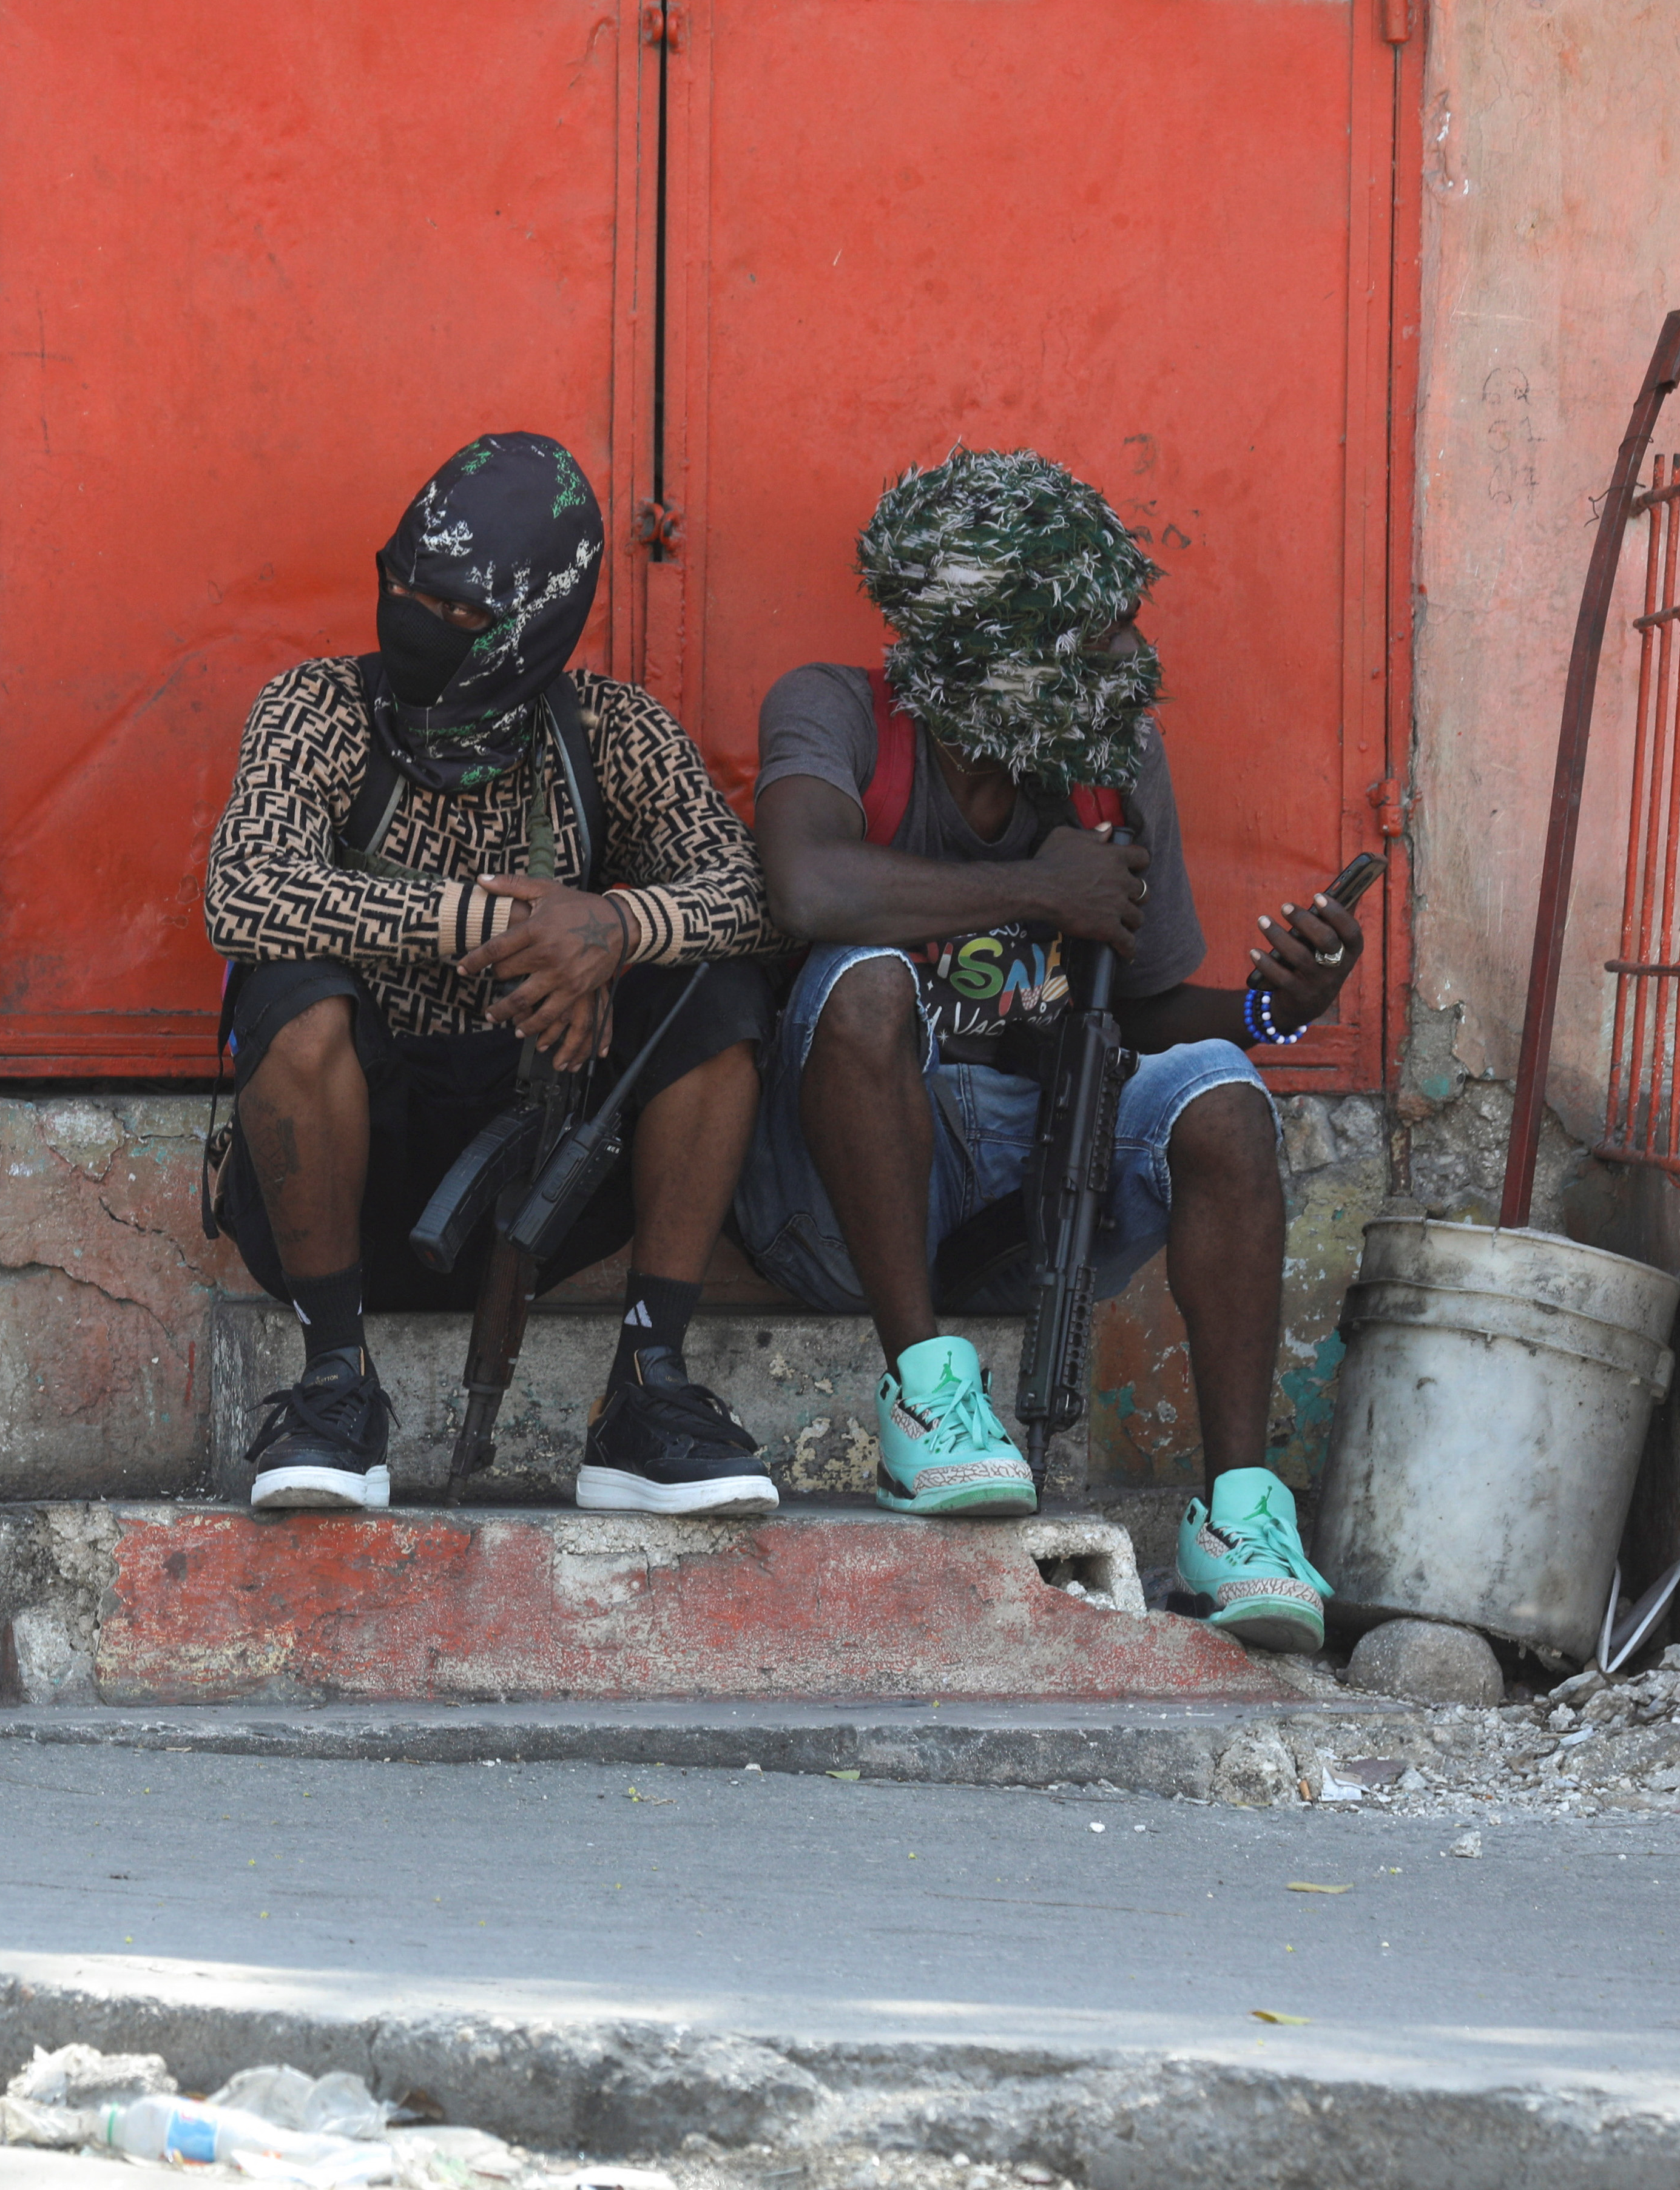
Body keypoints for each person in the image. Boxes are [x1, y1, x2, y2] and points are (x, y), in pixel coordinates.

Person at [735, 448, 1363, 1651]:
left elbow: (1137, 1010)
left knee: (1222, 1096)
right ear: (985, 651)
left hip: (1030, 1202)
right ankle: (925, 1392)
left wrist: (1276, 1011)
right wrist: (1034, 887)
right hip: (839, 1207)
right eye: (1091, 641)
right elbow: (806, 887)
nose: (1127, 664)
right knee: (861, 985)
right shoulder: (832, 712)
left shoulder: (1109, 764)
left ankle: (1236, 1517)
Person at [202, 433, 786, 1516]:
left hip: (547, 1181)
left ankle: (648, 1391)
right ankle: (335, 1380)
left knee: (717, 997)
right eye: (404, 588)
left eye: (463, 615)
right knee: (287, 985)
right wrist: (488, 922)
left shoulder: (612, 732)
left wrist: (613, 927)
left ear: (537, 629)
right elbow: (245, 889)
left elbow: (751, 894)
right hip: (352, 1167)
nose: (420, 622)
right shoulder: (317, 709)